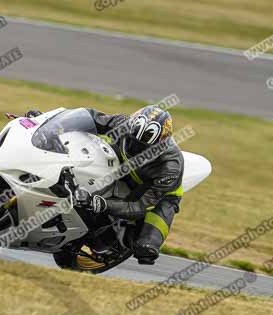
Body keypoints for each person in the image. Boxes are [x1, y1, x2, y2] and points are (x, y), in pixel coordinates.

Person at [26, 105, 183, 265]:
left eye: (141, 147)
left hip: (156, 194)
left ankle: (113, 244)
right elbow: (89, 117)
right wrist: (46, 123)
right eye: (131, 142)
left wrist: (101, 204)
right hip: (122, 169)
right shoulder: (124, 124)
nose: (134, 149)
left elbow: (139, 206)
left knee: (144, 248)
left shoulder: (170, 167)